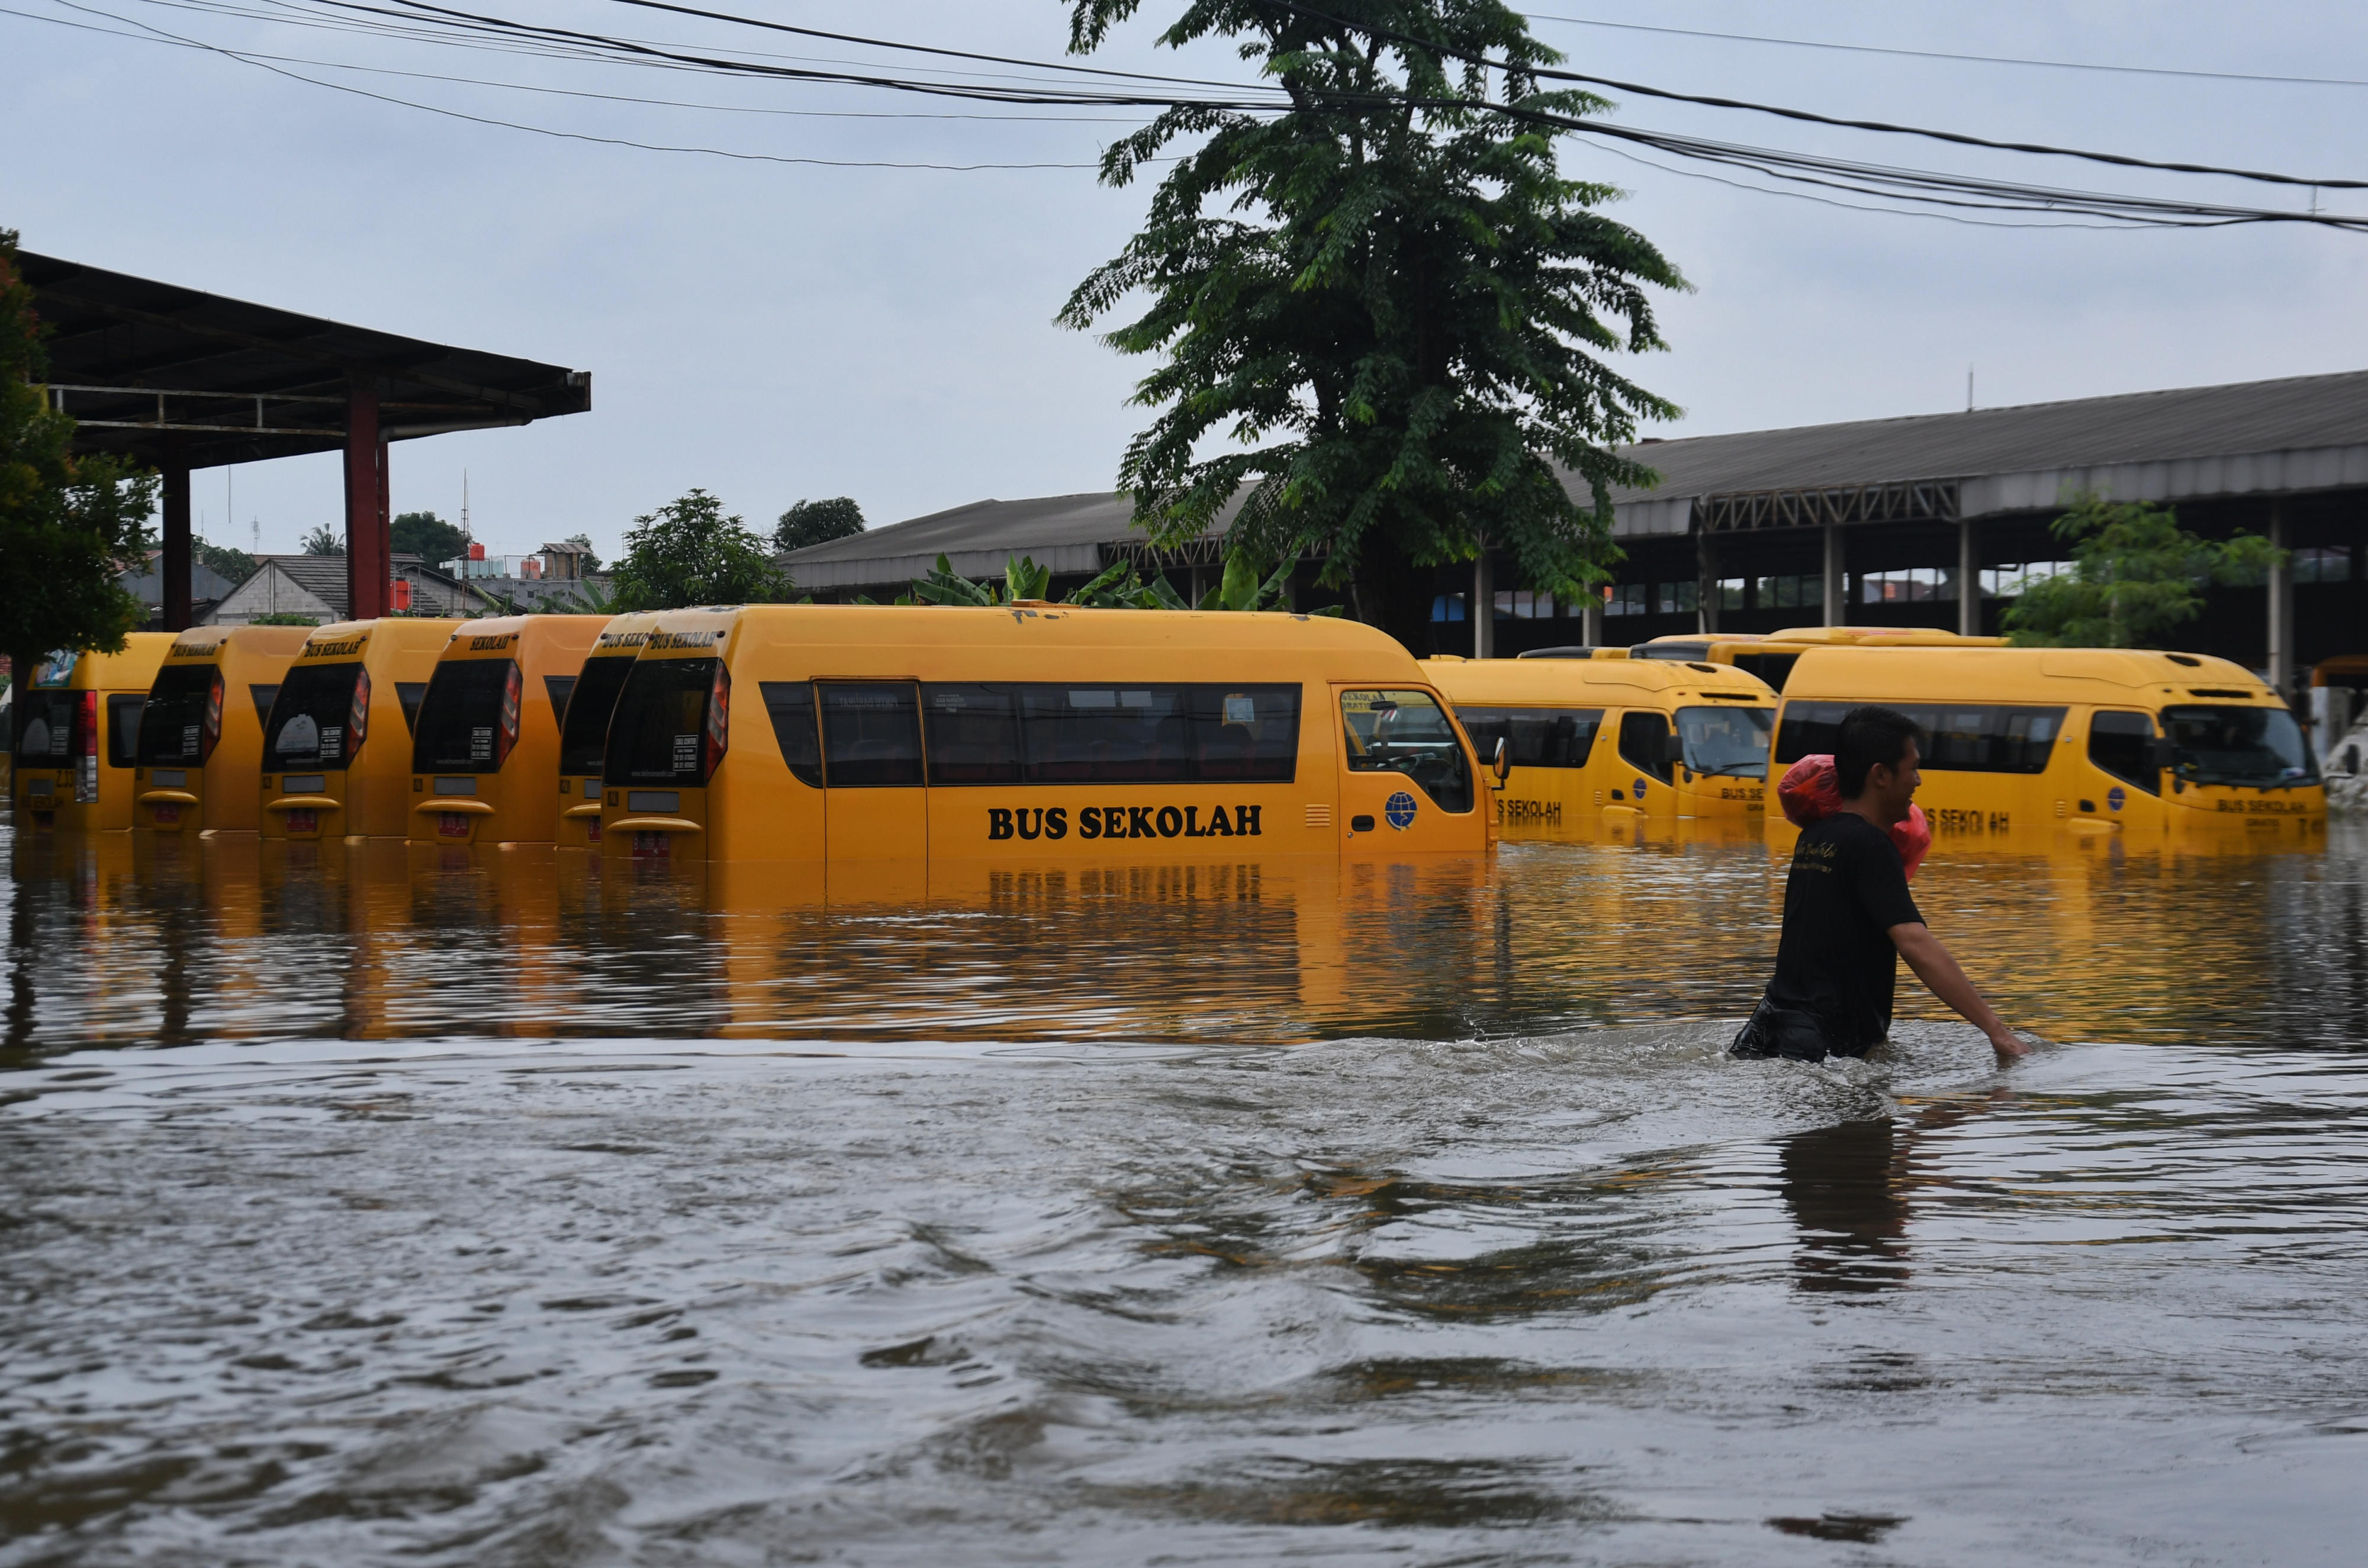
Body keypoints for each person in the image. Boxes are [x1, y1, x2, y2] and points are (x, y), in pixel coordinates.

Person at [1734, 705, 2029, 1063]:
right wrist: (1998, 1031)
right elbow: (1915, 943)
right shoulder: (1873, 846)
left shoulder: (1815, 836)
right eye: (1913, 768)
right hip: (1821, 1043)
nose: (1918, 781)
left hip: (1768, 1029)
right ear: (1881, 775)